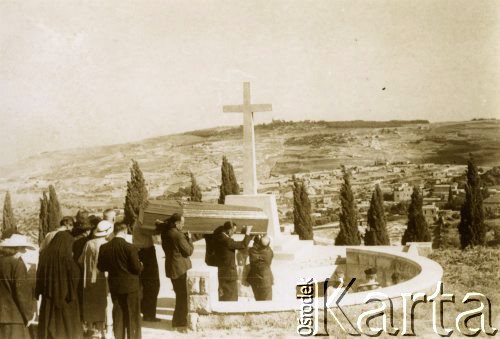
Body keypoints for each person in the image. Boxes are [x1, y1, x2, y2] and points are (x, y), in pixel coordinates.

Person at [98, 221, 143, 339]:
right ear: (125, 230)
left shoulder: (104, 247)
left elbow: (101, 267)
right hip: (131, 287)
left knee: (118, 315)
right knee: (132, 317)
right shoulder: (130, 247)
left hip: (115, 286)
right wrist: (141, 265)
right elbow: (136, 268)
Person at [36, 230, 83, 339]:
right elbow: (75, 277)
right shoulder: (67, 257)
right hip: (66, 298)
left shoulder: (44, 255)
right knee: (67, 328)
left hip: (48, 297)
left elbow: (39, 275)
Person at [78, 220, 113, 338]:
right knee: (104, 303)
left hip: (88, 279)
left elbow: (80, 260)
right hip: (103, 278)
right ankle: (103, 330)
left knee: (90, 303)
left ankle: (89, 328)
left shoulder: (89, 243)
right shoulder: (107, 244)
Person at [160, 213, 193, 329]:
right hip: (179, 268)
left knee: (179, 294)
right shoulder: (178, 235)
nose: (183, 225)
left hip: (172, 266)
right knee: (182, 295)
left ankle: (179, 320)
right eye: (182, 223)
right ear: (176, 223)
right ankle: (179, 321)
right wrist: (190, 239)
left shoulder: (166, 232)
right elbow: (188, 251)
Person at [0, 234, 37, 339]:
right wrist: (28, 316)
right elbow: (21, 294)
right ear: (16, 249)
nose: (25, 251)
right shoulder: (17, 265)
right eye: (23, 248)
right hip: (14, 317)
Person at [214, 221, 252, 301]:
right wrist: (248, 232)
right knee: (230, 297)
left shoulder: (218, 237)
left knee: (223, 295)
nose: (233, 234)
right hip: (229, 274)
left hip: (222, 272)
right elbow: (243, 245)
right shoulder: (226, 240)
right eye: (233, 232)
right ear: (229, 230)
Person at [132, 219, 161, 322]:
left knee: (145, 284)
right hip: (146, 252)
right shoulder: (141, 223)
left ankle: (145, 311)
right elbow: (155, 231)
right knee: (152, 284)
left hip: (142, 252)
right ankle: (149, 314)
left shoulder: (138, 221)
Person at [247, 235, 274, 301]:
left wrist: (252, 239)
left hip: (255, 281)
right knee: (267, 302)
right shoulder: (269, 252)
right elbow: (267, 243)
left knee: (258, 300)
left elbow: (248, 248)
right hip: (266, 281)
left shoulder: (252, 251)